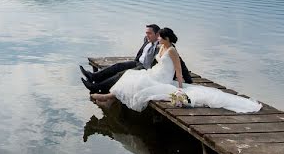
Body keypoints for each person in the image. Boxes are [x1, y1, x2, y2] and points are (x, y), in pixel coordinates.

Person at [90, 27, 261, 114]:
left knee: (136, 82)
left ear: (166, 38)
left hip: (162, 80)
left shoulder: (172, 51)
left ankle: (107, 98)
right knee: (130, 76)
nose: (158, 39)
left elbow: (178, 71)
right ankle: (110, 100)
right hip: (155, 74)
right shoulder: (162, 48)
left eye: (160, 37)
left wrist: (180, 87)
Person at [80, 24, 193, 93]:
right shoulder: (146, 40)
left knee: (122, 74)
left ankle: (96, 87)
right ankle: (93, 76)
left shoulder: (166, 47)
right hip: (137, 62)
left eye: (149, 33)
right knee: (117, 66)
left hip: (147, 69)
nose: (147, 35)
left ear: (157, 34)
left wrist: (187, 79)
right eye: (146, 33)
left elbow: (179, 63)